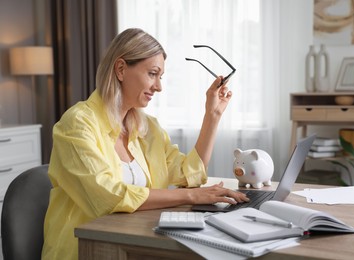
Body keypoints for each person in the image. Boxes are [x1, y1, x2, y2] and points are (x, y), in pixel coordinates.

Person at [42, 28, 248, 259]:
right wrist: (192, 196)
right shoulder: (77, 124)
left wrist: (212, 116)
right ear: (121, 69)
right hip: (86, 249)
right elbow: (108, 197)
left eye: (160, 77)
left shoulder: (147, 127)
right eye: (152, 74)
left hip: (134, 241)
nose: (159, 86)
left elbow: (188, 173)